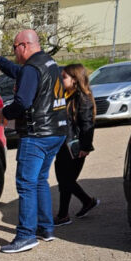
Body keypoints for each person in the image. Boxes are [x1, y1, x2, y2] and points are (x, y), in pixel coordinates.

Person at [0, 29, 68, 253]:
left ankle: (25, 235)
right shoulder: (48, 62)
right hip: (56, 132)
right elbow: (19, 72)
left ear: (23, 46)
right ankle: (46, 228)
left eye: (14, 49)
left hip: (37, 135)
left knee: (26, 183)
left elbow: (22, 102)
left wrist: (5, 113)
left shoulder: (32, 68)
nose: (14, 54)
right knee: (40, 180)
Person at [54, 63, 99, 225]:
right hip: (62, 145)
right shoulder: (65, 95)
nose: (61, 79)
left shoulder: (83, 98)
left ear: (75, 79)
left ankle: (64, 215)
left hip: (75, 147)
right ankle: (86, 202)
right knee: (64, 180)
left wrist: (85, 147)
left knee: (66, 181)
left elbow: (87, 124)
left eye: (64, 77)